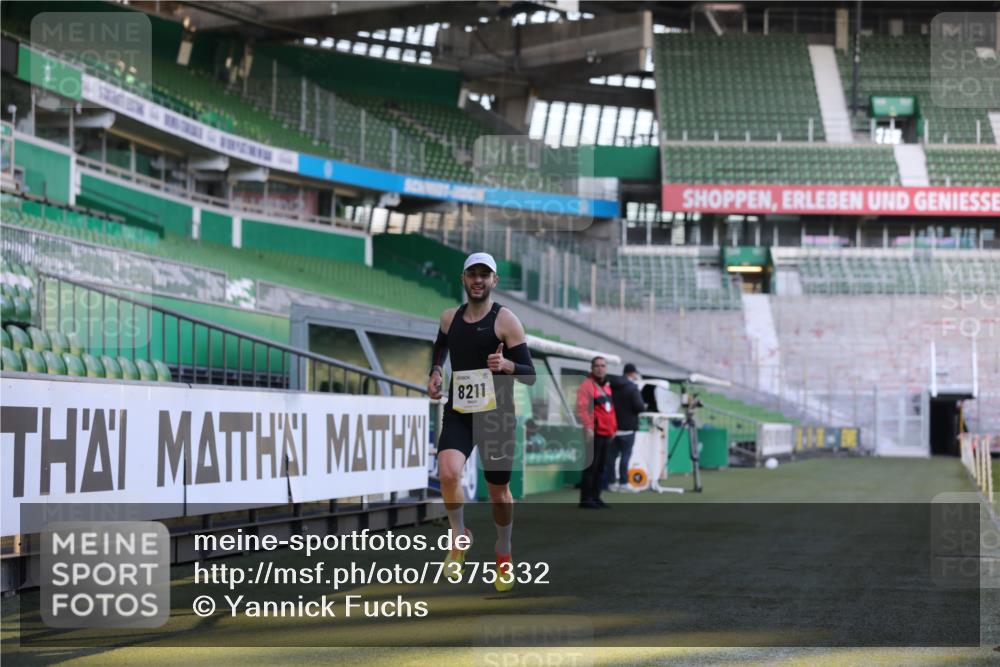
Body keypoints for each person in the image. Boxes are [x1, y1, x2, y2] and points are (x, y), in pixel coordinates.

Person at [428, 252, 536, 591]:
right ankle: (459, 538)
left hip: (497, 417)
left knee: (498, 494)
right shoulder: (449, 317)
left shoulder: (507, 321)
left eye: (484, 275)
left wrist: (508, 367)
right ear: (463, 279)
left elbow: (530, 375)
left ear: (494, 281)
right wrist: (435, 371)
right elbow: (441, 345)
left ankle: (503, 551)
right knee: (447, 472)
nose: (478, 280)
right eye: (472, 274)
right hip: (460, 410)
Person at [575, 356, 617, 509]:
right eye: (597, 366)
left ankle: (596, 497)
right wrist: (588, 428)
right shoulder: (586, 385)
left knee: (601, 467)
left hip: (607, 433)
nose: (600, 368)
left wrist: (613, 429)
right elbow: (581, 410)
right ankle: (586, 499)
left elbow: (610, 411)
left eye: (603, 366)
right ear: (591, 368)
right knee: (591, 467)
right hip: (594, 433)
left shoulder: (607, 386)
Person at [607, 363, 647, 493]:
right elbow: (639, 407)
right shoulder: (632, 388)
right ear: (632, 373)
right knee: (625, 456)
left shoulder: (611, 386)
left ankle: (611, 483)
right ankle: (623, 483)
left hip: (612, 427)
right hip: (628, 428)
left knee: (612, 457)